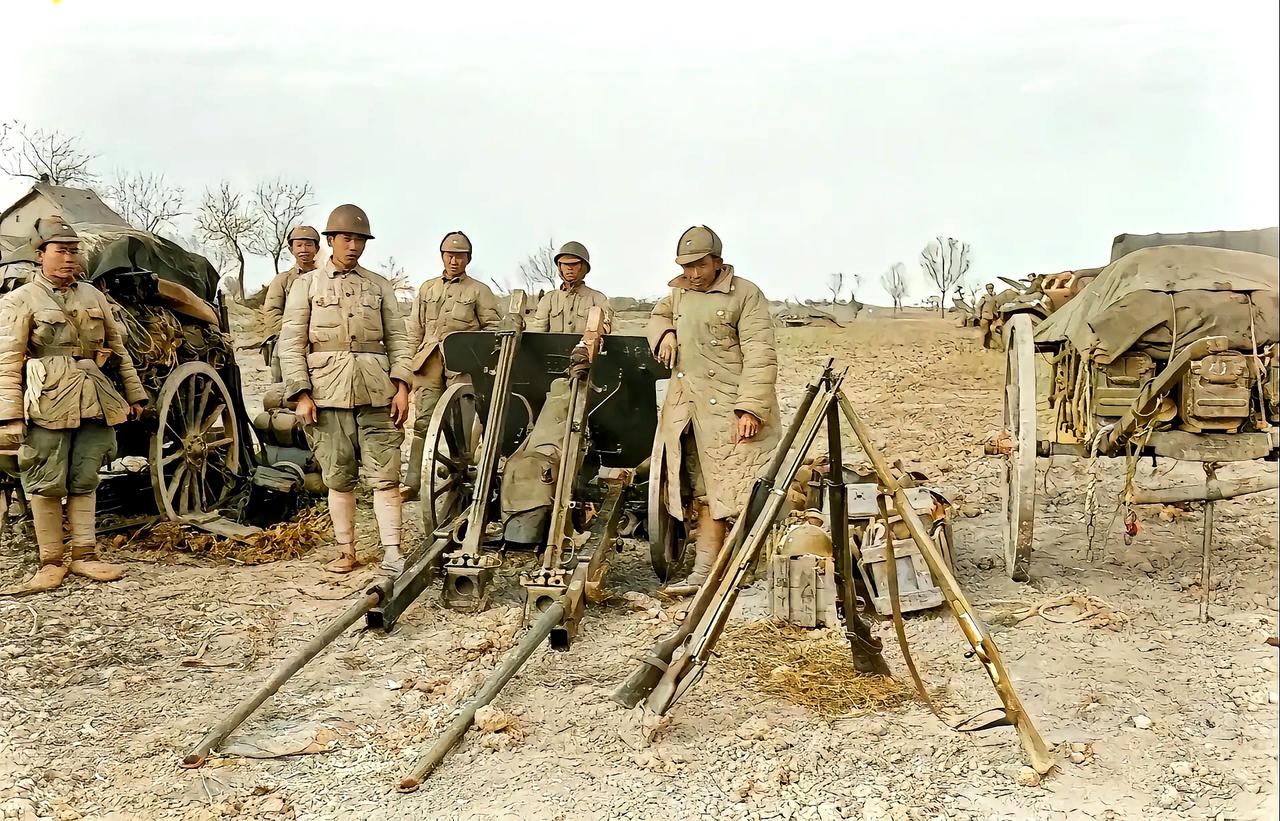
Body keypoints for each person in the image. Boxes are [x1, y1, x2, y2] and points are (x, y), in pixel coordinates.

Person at [0, 217, 146, 595]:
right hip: (46, 399)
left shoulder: (93, 296)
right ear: (39, 255)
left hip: (92, 395)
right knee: (44, 479)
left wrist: (135, 395)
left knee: (85, 477)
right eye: (60, 250)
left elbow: (119, 350)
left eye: (73, 250)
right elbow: (8, 360)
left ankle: (85, 554)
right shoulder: (20, 300)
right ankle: (50, 562)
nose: (69, 258)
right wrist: (11, 415)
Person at [277, 205, 413, 577]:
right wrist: (301, 394)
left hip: (376, 392)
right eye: (346, 238)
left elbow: (399, 339)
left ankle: (393, 553)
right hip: (326, 394)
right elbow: (290, 344)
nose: (353, 246)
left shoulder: (379, 285)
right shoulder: (306, 286)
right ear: (331, 240)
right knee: (338, 476)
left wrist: (401, 387)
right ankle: (346, 550)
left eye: (359, 240)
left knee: (386, 476)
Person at [647, 225, 780, 594]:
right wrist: (666, 334)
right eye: (686, 267)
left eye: (699, 266)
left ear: (718, 263)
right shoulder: (678, 293)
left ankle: (745, 570)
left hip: (731, 409)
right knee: (703, 489)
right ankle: (704, 572)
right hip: (688, 408)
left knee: (741, 489)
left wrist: (750, 409)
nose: (692, 274)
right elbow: (657, 316)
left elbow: (760, 355)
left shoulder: (746, 295)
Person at [402, 231, 500, 500]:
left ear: (468, 259)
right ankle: (412, 483)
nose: (454, 260)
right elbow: (414, 329)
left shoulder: (479, 290)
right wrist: (407, 367)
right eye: (449, 255)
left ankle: (463, 475)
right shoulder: (427, 288)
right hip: (429, 363)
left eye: (460, 256)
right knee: (422, 422)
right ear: (442, 256)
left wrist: (480, 359)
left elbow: (493, 329)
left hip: (463, 366)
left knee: (461, 424)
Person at [261, 225, 321, 382]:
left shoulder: (325, 278)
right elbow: (272, 312)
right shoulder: (283, 280)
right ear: (291, 249)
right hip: (289, 342)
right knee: (283, 386)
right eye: (299, 245)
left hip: (320, 341)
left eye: (309, 245)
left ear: (317, 248)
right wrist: (291, 333)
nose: (304, 249)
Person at [529, 241, 610, 333]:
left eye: (574, 264)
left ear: (584, 267)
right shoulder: (549, 299)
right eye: (565, 264)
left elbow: (608, 335)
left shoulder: (598, 299)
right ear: (559, 267)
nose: (569, 268)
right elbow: (538, 335)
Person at [977, 282, 999, 349]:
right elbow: (978, 306)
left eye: (991, 288)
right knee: (984, 331)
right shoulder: (984, 297)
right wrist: (979, 315)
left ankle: (987, 346)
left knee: (989, 332)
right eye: (989, 289)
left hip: (991, 317)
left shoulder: (994, 297)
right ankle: (981, 346)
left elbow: (996, 306)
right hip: (985, 316)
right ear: (987, 289)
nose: (990, 290)